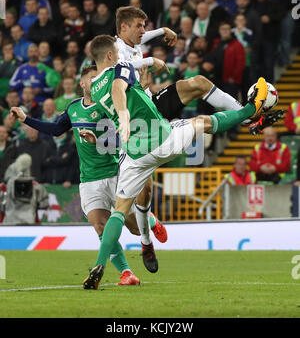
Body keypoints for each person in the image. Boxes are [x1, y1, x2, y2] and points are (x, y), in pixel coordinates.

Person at [82, 34, 269, 287]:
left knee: (119, 210)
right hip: (160, 138)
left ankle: (100, 264)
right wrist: (124, 112)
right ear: (110, 55)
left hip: (134, 153)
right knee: (202, 122)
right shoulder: (121, 68)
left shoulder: (93, 86)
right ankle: (251, 109)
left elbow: (121, 85)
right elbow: (118, 89)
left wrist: (145, 71)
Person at [11, 65, 167, 287]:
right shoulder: (74, 108)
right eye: (92, 79)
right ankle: (127, 274)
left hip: (115, 174)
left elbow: (128, 140)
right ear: (82, 84)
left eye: (99, 79)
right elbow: (56, 129)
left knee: (133, 228)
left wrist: (99, 141)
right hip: (89, 179)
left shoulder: (109, 107)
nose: (97, 83)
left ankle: (149, 220)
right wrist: (26, 118)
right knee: (101, 228)